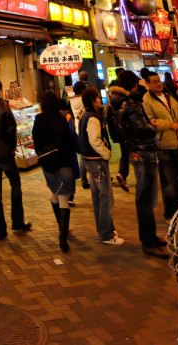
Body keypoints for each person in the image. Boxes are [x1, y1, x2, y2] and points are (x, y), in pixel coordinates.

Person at [108, 70, 168, 258]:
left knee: (145, 196)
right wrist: (154, 126)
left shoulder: (115, 103)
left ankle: (150, 237)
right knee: (145, 198)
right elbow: (142, 128)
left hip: (134, 150)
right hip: (143, 151)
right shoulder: (130, 104)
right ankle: (148, 242)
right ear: (134, 85)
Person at [0, 78, 32, 240]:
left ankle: (0, 229)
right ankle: (17, 221)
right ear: (0, 91)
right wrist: (11, 148)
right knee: (15, 184)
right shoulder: (4, 105)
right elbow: (12, 129)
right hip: (5, 153)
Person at [78, 86, 123, 245]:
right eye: (97, 97)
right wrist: (106, 153)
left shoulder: (85, 115)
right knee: (106, 197)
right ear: (92, 100)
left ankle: (103, 229)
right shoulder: (93, 118)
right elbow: (95, 140)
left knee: (98, 196)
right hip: (97, 160)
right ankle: (106, 234)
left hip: (90, 160)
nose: (100, 99)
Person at [33, 91, 76, 252]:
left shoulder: (39, 119)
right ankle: (63, 237)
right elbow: (68, 142)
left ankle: (60, 226)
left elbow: (36, 142)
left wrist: (42, 155)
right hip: (64, 162)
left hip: (47, 164)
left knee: (54, 193)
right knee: (64, 198)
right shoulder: (62, 119)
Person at [142, 71, 178, 221]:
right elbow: (150, 121)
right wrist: (169, 125)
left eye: (159, 80)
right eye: (154, 81)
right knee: (168, 181)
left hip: (177, 143)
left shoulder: (168, 96)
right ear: (147, 84)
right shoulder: (147, 100)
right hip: (162, 146)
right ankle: (170, 213)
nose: (158, 83)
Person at [106, 83, 130, 193]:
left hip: (118, 133)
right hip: (128, 132)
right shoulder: (126, 101)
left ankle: (122, 174)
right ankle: (122, 174)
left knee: (124, 153)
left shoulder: (110, 104)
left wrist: (113, 136)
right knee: (128, 153)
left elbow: (109, 121)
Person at [69, 80, 89, 189]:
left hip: (77, 127)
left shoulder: (71, 101)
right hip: (85, 126)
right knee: (87, 154)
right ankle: (90, 178)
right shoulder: (84, 100)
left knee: (82, 155)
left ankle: (83, 179)